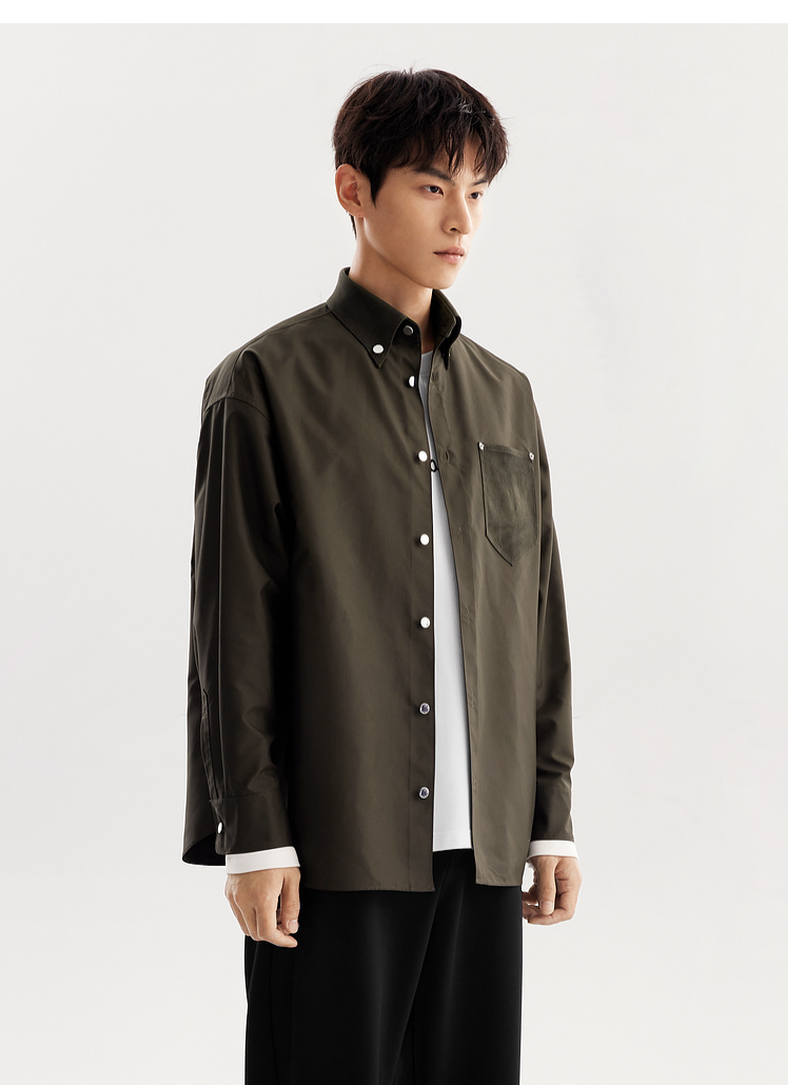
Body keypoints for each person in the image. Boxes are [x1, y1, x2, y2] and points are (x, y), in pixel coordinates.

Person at [183, 67, 582, 1085]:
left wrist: (549, 812)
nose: (461, 219)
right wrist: (254, 836)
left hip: (484, 844)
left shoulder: (505, 396)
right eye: (432, 185)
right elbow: (232, 630)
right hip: (335, 841)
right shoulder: (264, 384)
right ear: (353, 191)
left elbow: (536, 617)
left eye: (477, 190)